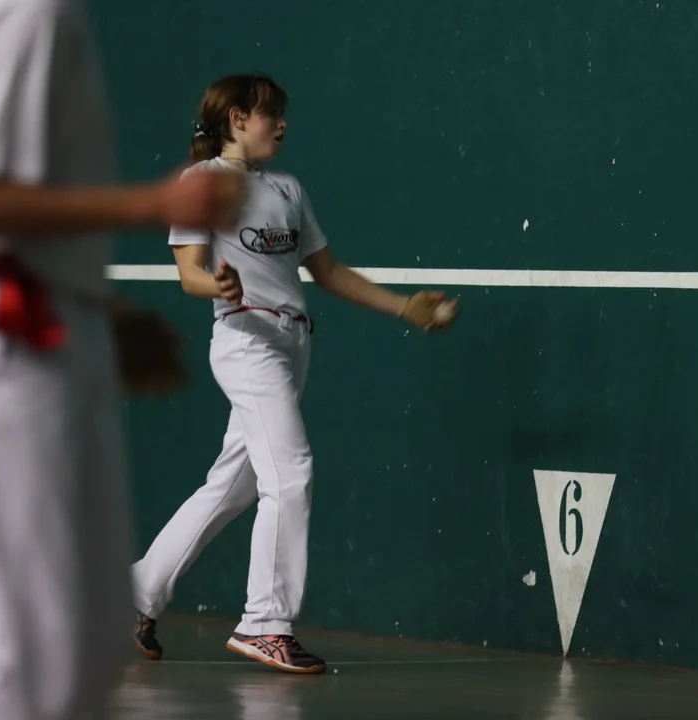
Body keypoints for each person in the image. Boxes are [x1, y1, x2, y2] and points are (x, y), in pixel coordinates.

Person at [0, 1, 247, 718]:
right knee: (37, 669)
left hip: (48, 320)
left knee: (91, 647)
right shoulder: (25, 11)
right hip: (8, 339)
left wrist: (97, 309)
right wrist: (158, 203)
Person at [130, 73, 457, 674]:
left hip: (291, 344)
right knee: (292, 474)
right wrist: (218, 284)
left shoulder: (287, 187)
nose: (281, 124)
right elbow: (189, 273)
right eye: (268, 114)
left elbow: (328, 272)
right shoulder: (201, 182)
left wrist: (403, 307)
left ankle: (136, 594)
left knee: (232, 486)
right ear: (236, 119)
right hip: (246, 341)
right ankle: (265, 623)